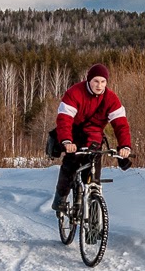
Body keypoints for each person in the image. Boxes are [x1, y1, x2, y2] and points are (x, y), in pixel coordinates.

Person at [51, 63, 133, 211]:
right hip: (73, 133)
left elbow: (121, 125)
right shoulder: (75, 93)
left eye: (103, 82)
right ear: (89, 80)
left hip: (94, 136)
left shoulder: (111, 99)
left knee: (94, 171)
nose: (99, 85)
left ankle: (93, 208)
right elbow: (64, 120)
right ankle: (61, 197)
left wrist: (125, 146)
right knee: (71, 164)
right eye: (96, 81)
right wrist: (66, 141)